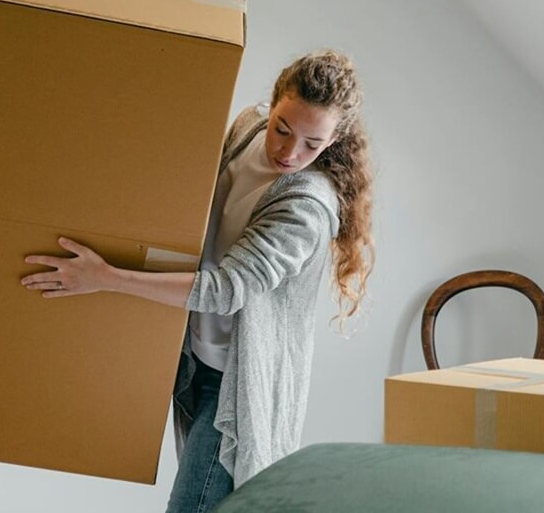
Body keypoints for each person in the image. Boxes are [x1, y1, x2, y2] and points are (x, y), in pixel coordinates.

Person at [19, 49, 375, 512]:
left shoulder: (306, 207)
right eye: (283, 129)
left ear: (334, 138)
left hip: (239, 384)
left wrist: (106, 277)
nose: (290, 153)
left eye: (312, 143)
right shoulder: (247, 130)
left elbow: (224, 290)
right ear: (272, 105)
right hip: (195, 359)